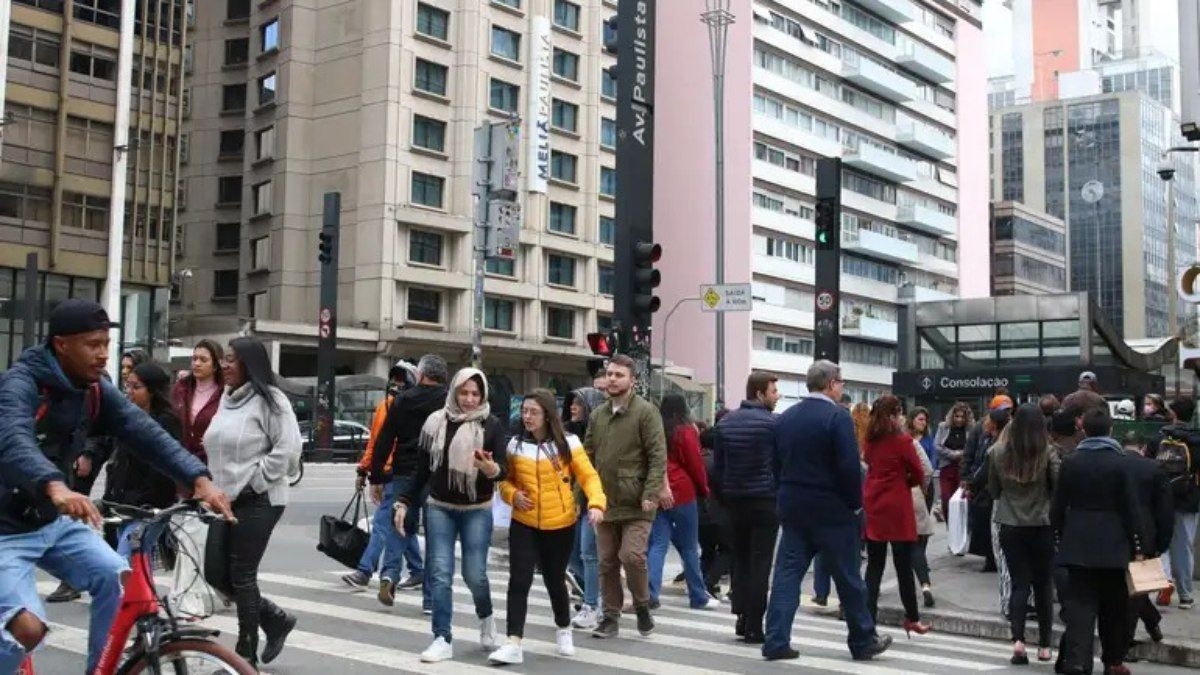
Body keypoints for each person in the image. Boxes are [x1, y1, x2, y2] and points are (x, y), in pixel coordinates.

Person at [0, 298, 232, 675]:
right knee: (25, 630)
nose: (103, 354)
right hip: (5, 530)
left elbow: (143, 431)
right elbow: (13, 441)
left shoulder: (93, 389)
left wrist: (198, 479)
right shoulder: (21, 385)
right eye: (93, 344)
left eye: (106, 344)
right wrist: (55, 487)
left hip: (50, 521)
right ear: (62, 344)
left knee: (117, 577)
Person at [762, 360, 892, 662]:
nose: (841, 387)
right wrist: (855, 504)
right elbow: (848, 467)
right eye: (841, 383)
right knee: (848, 577)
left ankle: (776, 639)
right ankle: (862, 639)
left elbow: (775, 465)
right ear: (832, 383)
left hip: (793, 505)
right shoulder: (838, 417)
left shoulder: (785, 418)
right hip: (832, 509)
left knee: (786, 575)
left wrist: (784, 492)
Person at [394, 367, 508, 664]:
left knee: (474, 575)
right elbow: (421, 470)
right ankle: (441, 638)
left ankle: (486, 617)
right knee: (440, 574)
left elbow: (503, 469)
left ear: (482, 396)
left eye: (475, 394)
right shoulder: (435, 422)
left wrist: (491, 469)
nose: (469, 399)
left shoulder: (492, 425)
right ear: (454, 392)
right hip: (439, 507)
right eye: (464, 392)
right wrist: (403, 501)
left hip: (476, 510)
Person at [203, 336, 303, 668]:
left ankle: (245, 655)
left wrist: (255, 482)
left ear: (250, 363)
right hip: (224, 500)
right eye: (224, 359)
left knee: (242, 575)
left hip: (261, 498)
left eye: (231, 359)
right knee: (215, 573)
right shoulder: (226, 398)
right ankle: (275, 619)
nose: (225, 365)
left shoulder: (272, 400)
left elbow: (288, 450)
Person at [488, 389, 606, 664]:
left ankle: (563, 628)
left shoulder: (569, 443)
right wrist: (512, 495)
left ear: (548, 415)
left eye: (534, 412)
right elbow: (504, 481)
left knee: (555, 579)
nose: (527, 417)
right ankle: (513, 642)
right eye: (525, 411)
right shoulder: (514, 445)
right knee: (519, 580)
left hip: (560, 524)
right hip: (524, 522)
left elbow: (589, 477)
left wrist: (596, 504)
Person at [1053, 398, 1142, 675]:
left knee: (1080, 608)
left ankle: (1078, 661)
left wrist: (1061, 535)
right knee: (1114, 608)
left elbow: (1058, 506)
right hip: (1114, 545)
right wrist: (1137, 542)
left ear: (1083, 429)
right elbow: (1131, 507)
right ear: (1111, 430)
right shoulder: (1121, 463)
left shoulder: (1071, 461)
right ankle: (1113, 660)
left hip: (1078, 543)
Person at [586, 354, 668, 639]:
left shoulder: (646, 412)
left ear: (633, 381)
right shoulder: (598, 415)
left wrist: (651, 492)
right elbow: (586, 458)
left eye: (619, 375)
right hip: (605, 501)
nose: (612, 379)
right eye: (609, 374)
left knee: (631, 556)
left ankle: (642, 605)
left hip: (638, 501)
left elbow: (658, 456)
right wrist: (582, 496)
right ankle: (610, 616)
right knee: (606, 561)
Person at [368, 354, 451, 615]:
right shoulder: (449, 401)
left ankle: (389, 575)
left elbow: (385, 439)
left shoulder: (403, 400)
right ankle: (430, 600)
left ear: (421, 374)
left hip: (404, 471)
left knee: (400, 524)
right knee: (436, 534)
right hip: (437, 474)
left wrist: (376, 476)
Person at [345, 360, 425, 605]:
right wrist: (365, 470)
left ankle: (365, 571)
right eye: (394, 379)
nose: (396, 384)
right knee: (401, 525)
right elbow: (375, 442)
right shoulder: (385, 407)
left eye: (402, 380)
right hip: (388, 473)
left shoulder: (414, 408)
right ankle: (417, 570)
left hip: (402, 474)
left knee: (383, 523)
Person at [987, 403, 1062, 665]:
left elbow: (994, 490)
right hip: (1041, 523)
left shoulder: (997, 452)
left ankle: (1018, 641)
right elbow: (1058, 486)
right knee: (1043, 585)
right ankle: (1044, 646)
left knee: (1019, 583)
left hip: (1010, 522)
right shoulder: (1048, 452)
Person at [712, 372, 779, 643]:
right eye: (773, 391)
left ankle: (740, 615)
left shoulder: (725, 423)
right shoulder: (773, 425)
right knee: (761, 562)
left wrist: (724, 496)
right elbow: (779, 464)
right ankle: (754, 624)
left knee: (740, 561)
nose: (777, 396)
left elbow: (718, 468)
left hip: (734, 502)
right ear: (760, 394)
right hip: (765, 501)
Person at [861, 395, 929, 636]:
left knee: (874, 566)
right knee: (903, 566)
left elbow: (868, 461)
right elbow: (919, 472)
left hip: (874, 503)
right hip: (897, 505)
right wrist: (905, 481)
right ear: (894, 415)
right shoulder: (903, 440)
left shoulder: (870, 440)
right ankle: (912, 617)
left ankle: (868, 622)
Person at [101, 362, 184, 558]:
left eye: (136, 387)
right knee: (134, 562)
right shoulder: (126, 416)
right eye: (127, 386)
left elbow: (166, 469)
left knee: (126, 560)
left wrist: (146, 502)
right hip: (122, 504)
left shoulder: (166, 421)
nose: (129, 392)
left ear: (152, 391)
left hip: (149, 507)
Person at [646, 394, 719, 611]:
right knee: (689, 547)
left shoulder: (655, 429)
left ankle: (650, 593)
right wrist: (704, 489)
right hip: (683, 491)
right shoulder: (686, 431)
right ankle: (698, 596)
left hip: (659, 490)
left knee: (658, 544)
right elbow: (695, 464)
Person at [1122, 428, 1174, 650]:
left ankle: (1145, 625)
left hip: (1116, 533)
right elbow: (1165, 511)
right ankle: (1129, 637)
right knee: (1136, 587)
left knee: (1127, 588)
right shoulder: (1154, 469)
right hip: (1146, 535)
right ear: (1143, 448)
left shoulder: (1114, 466)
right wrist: (1162, 542)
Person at [562, 386, 607, 630]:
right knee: (572, 554)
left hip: (593, 499)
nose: (573, 407)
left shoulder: (599, 433)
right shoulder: (566, 434)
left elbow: (592, 471)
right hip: (569, 500)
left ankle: (592, 604)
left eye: (578, 403)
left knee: (589, 552)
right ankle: (596, 594)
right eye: (571, 403)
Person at [1151, 397, 1200, 610]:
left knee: (1162, 542)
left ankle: (1165, 579)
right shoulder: (1196, 440)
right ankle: (1186, 594)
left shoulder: (1160, 436)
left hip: (1162, 496)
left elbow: (1150, 464)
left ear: (1174, 414)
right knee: (1184, 546)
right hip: (1188, 498)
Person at [172, 339, 225, 464]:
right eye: (194, 359)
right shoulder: (181, 388)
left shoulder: (225, 393)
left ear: (215, 365)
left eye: (203, 360)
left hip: (211, 460)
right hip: (180, 458)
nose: (197, 363)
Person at [905, 410, 937, 608]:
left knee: (903, 547)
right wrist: (920, 486)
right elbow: (928, 469)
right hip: (914, 492)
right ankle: (925, 585)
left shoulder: (877, 444)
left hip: (891, 497)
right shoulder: (910, 443)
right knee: (917, 543)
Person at [934, 402, 973, 520]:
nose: (959, 419)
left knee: (962, 500)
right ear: (952, 416)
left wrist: (962, 454)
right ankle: (949, 524)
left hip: (963, 469)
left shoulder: (971, 429)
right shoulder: (943, 426)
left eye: (962, 417)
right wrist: (952, 454)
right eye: (957, 416)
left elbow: (972, 447)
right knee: (946, 499)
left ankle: (961, 525)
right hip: (946, 467)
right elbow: (937, 446)